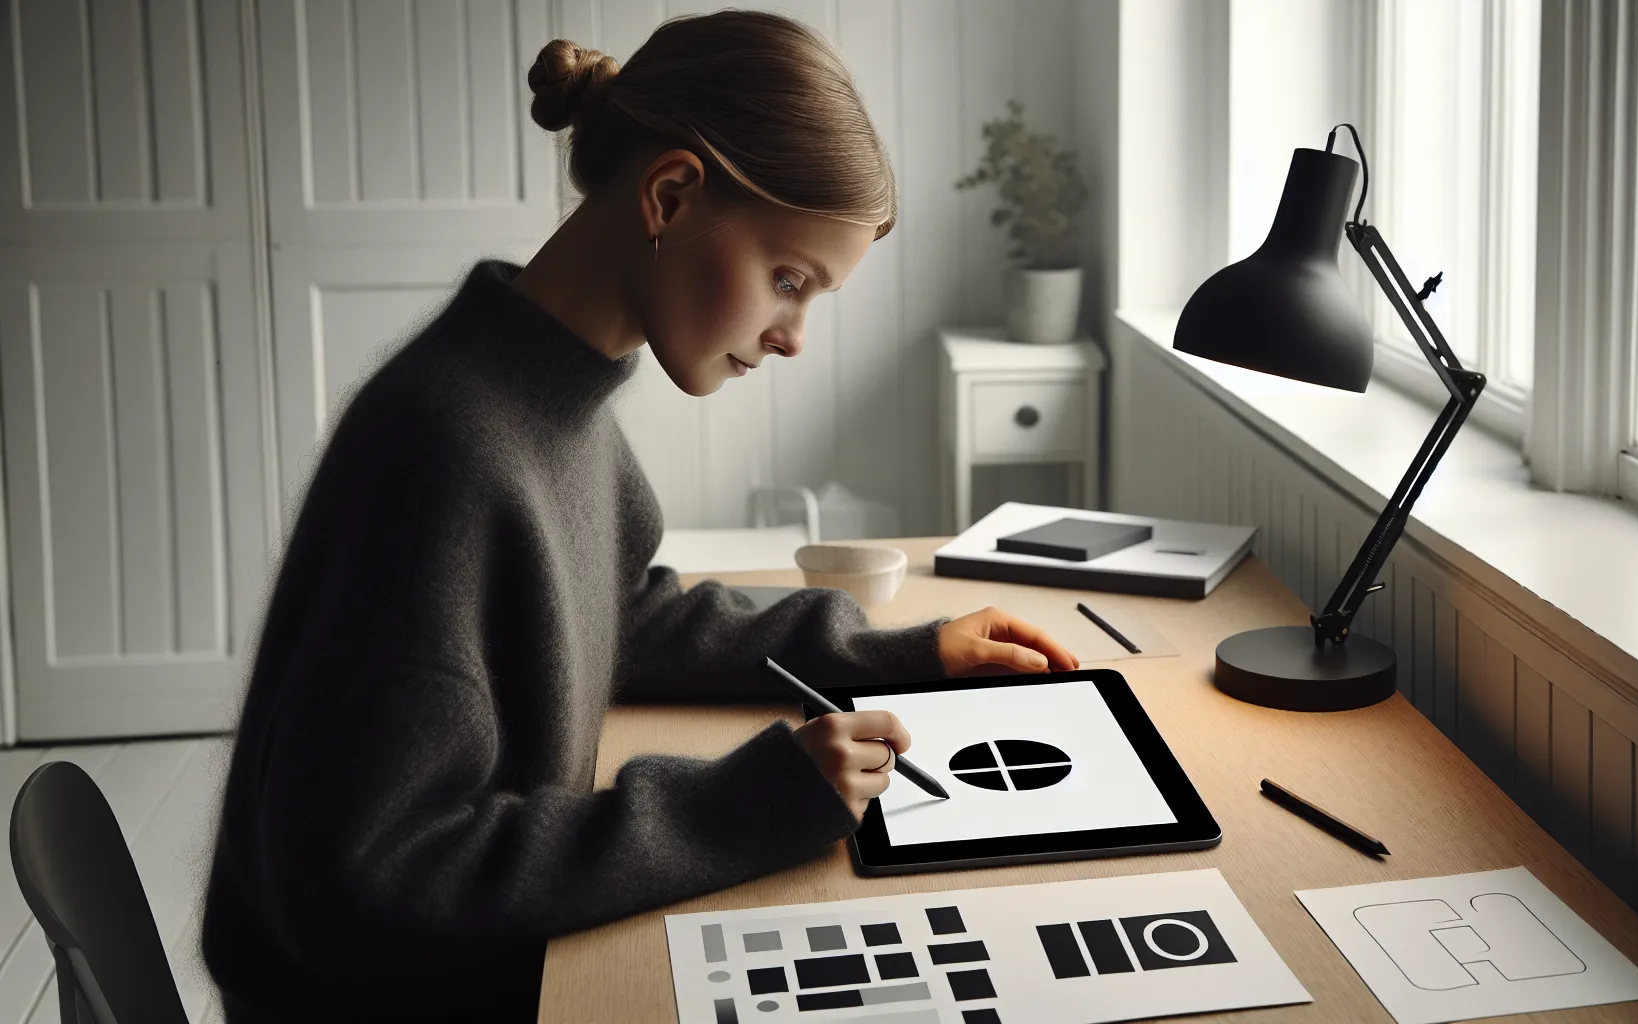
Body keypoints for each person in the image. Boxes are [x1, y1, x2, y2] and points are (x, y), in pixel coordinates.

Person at [200, 11, 1077, 1022]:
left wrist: (897, 653)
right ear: (670, 196)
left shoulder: (537, 397)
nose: (792, 336)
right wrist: (744, 804)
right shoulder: (444, 449)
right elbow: (363, 884)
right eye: (788, 280)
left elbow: (616, 614)